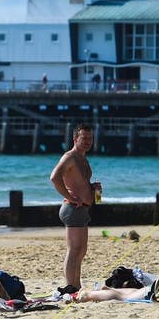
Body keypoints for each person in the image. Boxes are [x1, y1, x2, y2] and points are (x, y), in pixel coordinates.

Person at [49, 123, 95, 295]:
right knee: (74, 249)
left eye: (90, 138)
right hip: (72, 209)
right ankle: (70, 287)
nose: (87, 141)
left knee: (81, 250)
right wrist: (69, 196)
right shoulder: (69, 157)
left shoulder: (83, 158)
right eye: (84, 138)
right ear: (75, 139)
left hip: (83, 209)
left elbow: (80, 183)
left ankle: (77, 284)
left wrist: (92, 187)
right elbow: (54, 177)